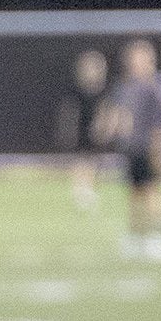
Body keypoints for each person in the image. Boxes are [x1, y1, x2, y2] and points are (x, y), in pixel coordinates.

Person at [97, 37, 161, 260]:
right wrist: (110, 129)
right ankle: (136, 235)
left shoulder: (157, 85)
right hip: (131, 147)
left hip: (150, 147)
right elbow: (118, 114)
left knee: (151, 190)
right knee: (134, 192)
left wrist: (160, 147)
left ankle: (157, 236)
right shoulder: (125, 85)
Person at [53, 46, 110, 210]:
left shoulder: (102, 92)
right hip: (81, 131)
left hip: (95, 131)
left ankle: (88, 189)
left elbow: (105, 111)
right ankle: (80, 191)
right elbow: (70, 113)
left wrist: (103, 127)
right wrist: (68, 131)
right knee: (80, 160)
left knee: (93, 161)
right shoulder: (76, 92)